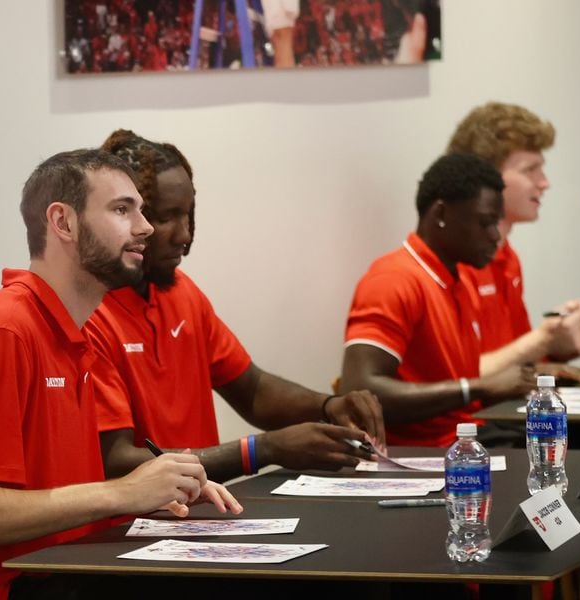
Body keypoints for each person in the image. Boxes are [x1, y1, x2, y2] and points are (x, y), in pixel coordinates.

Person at [0, 149, 240, 600]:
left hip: (53, 574)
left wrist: (153, 494)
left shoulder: (71, 335)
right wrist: (123, 494)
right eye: (122, 209)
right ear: (63, 222)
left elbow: (57, 506)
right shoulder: (0, 330)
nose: (146, 227)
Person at [89, 130, 385, 484]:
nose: (184, 234)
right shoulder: (89, 314)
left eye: (188, 214)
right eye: (167, 217)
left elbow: (252, 390)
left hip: (203, 515)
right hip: (127, 530)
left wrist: (327, 406)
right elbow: (118, 461)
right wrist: (260, 451)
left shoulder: (183, 294)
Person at [340, 153, 536, 448]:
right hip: (427, 453)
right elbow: (359, 390)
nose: (496, 236)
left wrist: (538, 374)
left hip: (470, 437)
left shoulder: (459, 278)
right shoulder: (394, 279)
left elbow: (461, 377)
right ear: (441, 214)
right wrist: (475, 389)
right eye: (485, 223)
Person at [446, 101, 580, 386]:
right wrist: (543, 340)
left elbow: (516, 365)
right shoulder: (456, 264)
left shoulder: (507, 256)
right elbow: (458, 378)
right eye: (531, 170)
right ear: (486, 178)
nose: (544, 183)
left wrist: (556, 347)